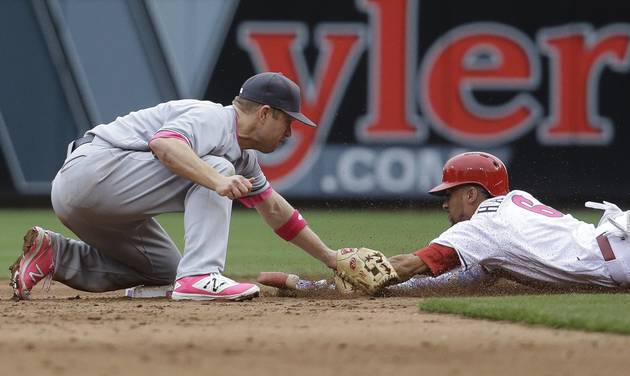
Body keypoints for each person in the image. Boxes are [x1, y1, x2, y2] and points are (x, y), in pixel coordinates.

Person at [9, 72, 338, 301]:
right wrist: (218, 180)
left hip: (96, 200)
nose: (290, 133)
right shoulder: (213, 118)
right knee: (216, 166)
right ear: (265, 113)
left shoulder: (244, 156)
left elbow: (274, 209)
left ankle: (54, 254)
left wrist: (331, 259)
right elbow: (165, 145)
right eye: (288, 121)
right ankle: (201, 276)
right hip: (91, 173)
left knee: (164, 271)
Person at [386, 151, 630, 291]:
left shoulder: (483, 228)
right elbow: (470, 277)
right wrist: (393, 290)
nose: (445, 203)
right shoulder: (514, 201)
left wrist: (358, 271)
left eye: (450, 194)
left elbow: (410, 265)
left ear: (471, 194)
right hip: (617, 244)